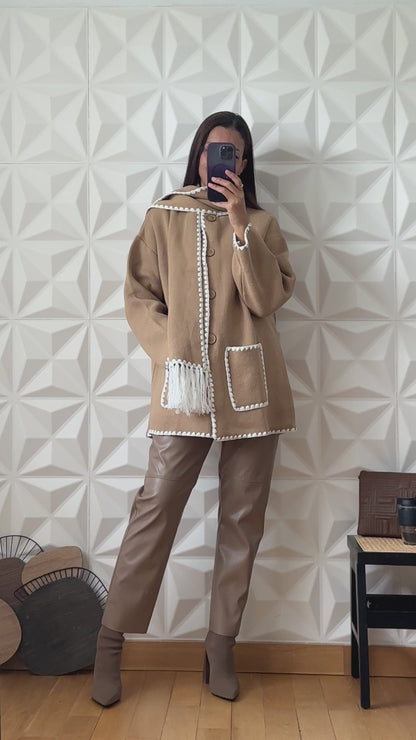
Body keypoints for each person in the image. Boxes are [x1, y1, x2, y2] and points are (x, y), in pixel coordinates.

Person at [91, 111, 296, 707]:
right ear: (198, 155)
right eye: (213, 149)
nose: (221, 161)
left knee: (243, 522)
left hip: (253, 391)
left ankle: (221, 646)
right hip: (185, 390)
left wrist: (240, 225)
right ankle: (109, 643)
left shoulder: (262, 224)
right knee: (155, 510)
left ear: (245, 164)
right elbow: (139, 298)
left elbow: (265, 298)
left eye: (233, 152)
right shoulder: (163, 215)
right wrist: (174, 355)